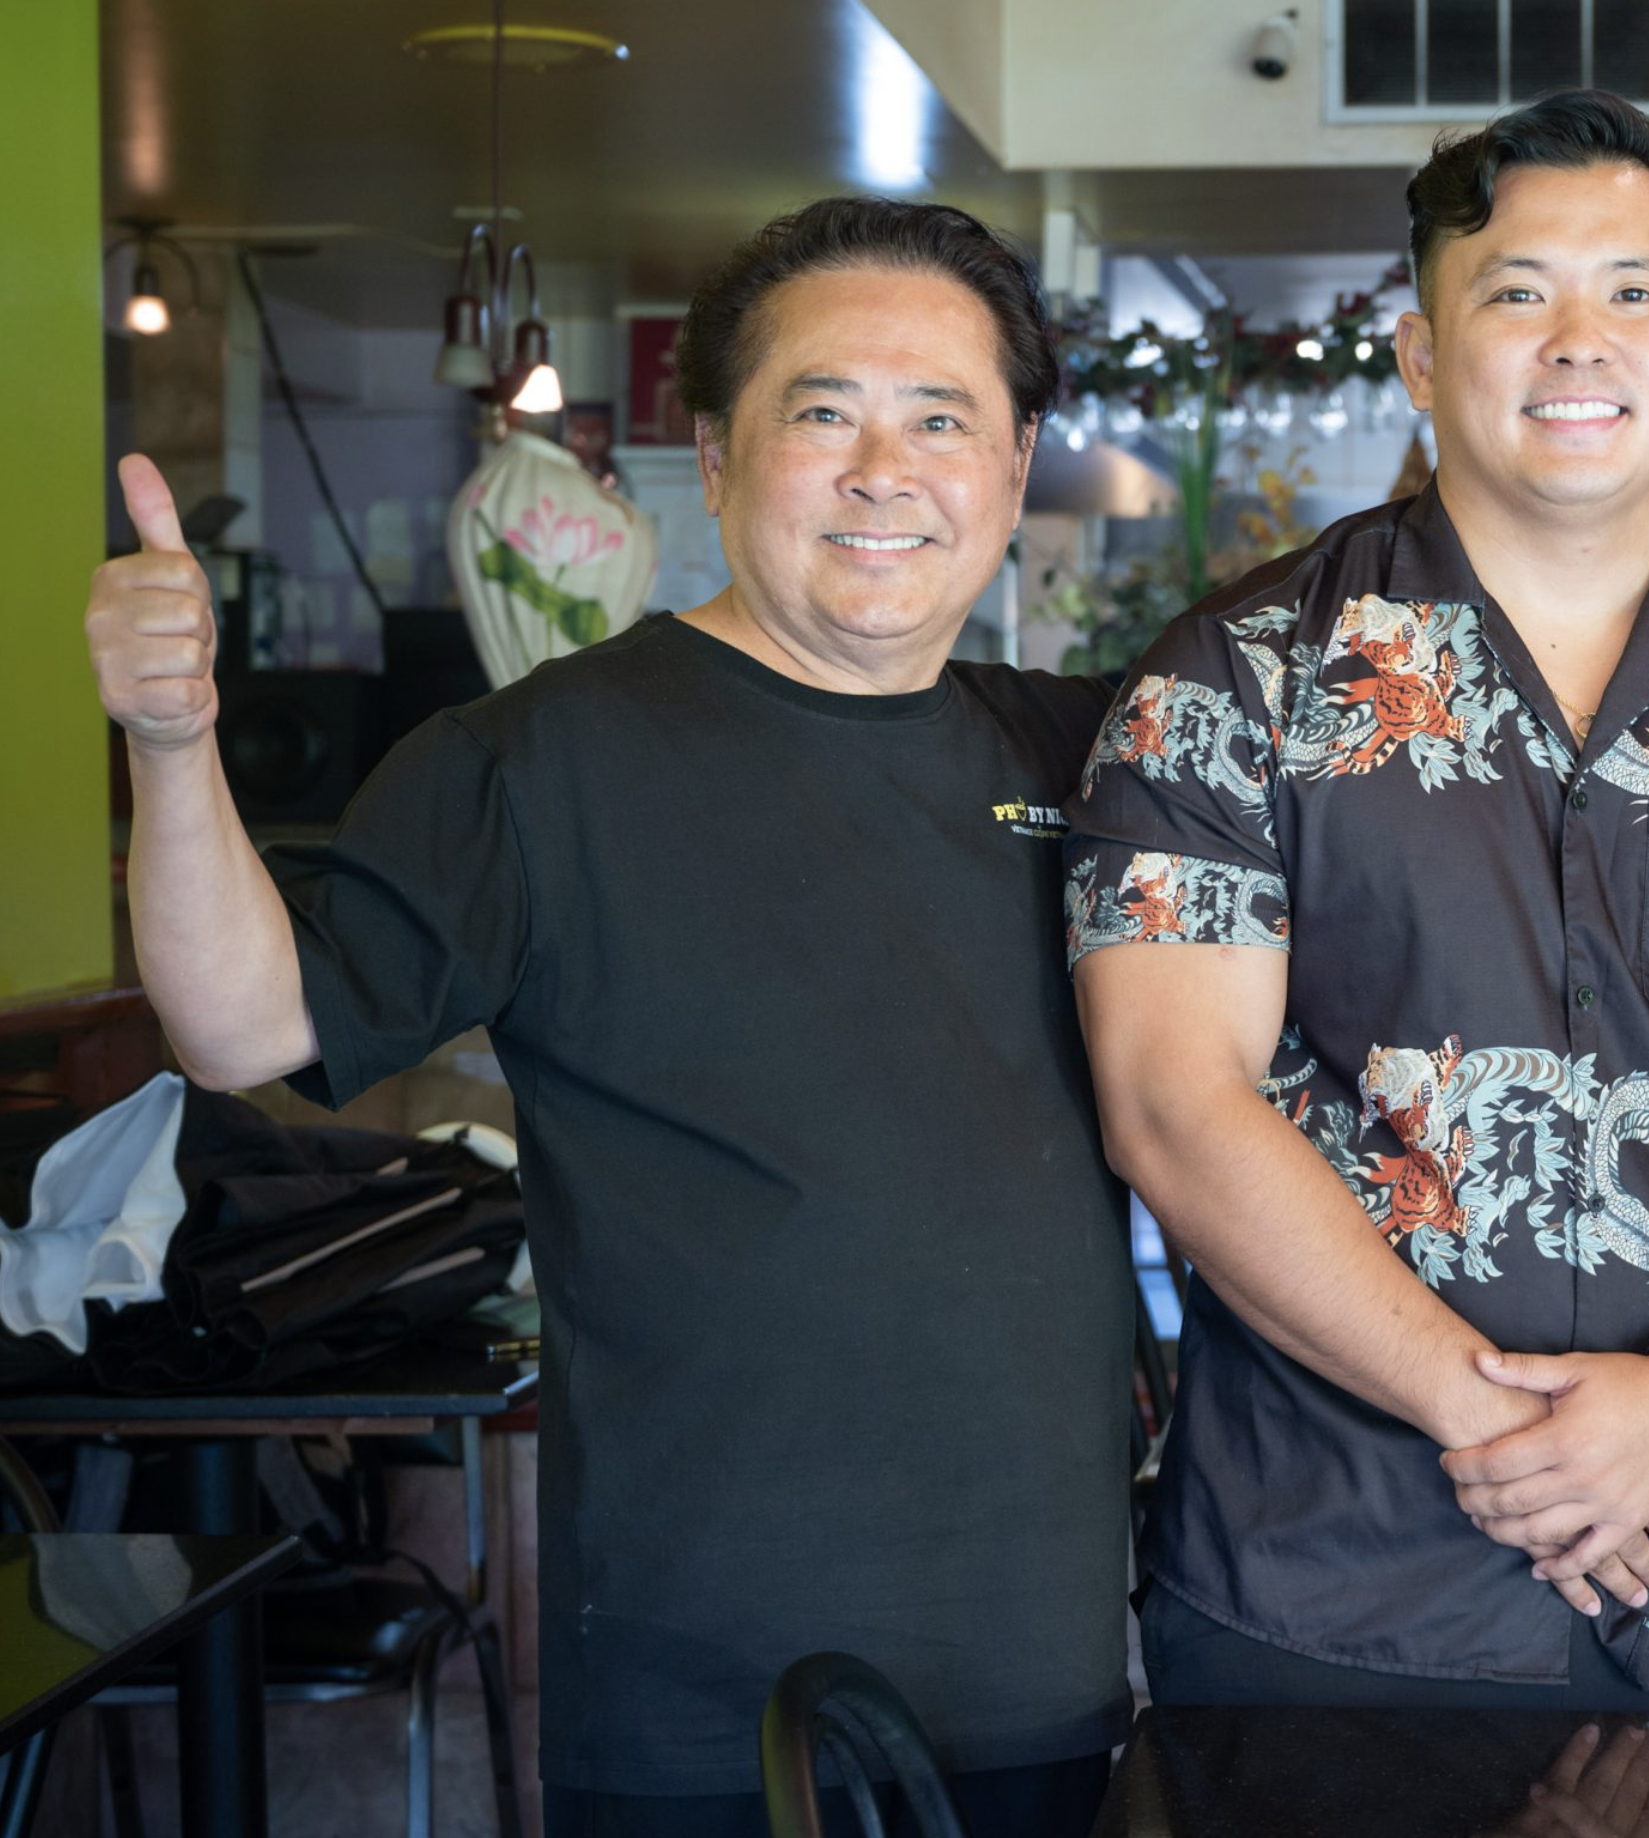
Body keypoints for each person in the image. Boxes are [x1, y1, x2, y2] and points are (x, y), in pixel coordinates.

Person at [83, 197, 1135, 1838]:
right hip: (698, 1688)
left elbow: (1390, 642)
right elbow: (242, 1030)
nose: (884, 468)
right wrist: (170, 742)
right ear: (713, 457)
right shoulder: (533, 761)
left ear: (1009, 474)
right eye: (822, 411)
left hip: (1039, 1656)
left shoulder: (1085, 755)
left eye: (944, 419)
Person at [1067, 90, 1649, 1713]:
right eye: (1515, 293)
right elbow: (1169, 1102)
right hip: (1325, 1588)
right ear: (1421, 358)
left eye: (1631, 294)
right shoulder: (1231, 682)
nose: (1578, 340)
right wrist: (1503, 1428)